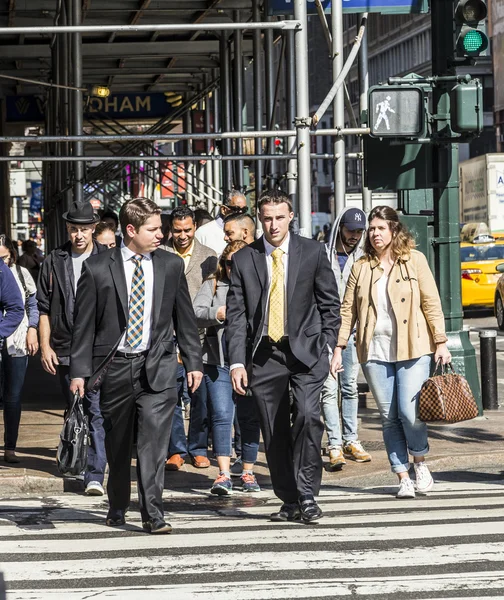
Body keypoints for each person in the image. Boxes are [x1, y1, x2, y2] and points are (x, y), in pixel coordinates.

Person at [69, 198, 203, 533]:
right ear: (131, 230)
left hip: (157, 366)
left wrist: (193, 361)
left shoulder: (170, 266)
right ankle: (117, 504)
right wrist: (79, 373)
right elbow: (84, 324)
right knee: (118, 444)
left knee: (153, 445)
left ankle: (152, 513)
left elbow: (184, 317)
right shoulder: (100, 268)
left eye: (161, 228)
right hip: (114, 368)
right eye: (154, 229)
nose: (162, 234)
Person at [226, 190, 340, 523]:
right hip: (265, 354)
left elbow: (330, 304)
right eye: (267, 218)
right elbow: (236, 314)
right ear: (259, 219)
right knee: (273, 429)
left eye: (279, 217)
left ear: (290, 216)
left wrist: (331, 345)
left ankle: (307, 494)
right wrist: (236, 361)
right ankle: (288, 499)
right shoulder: (246, 258)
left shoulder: (312, 252)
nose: (273, 225)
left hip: (307, 350)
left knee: (307, 415)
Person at [330, 206, 451, 499]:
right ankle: (402, 475)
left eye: (380, 228)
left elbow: (431, 302)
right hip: (375, 350)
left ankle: (420, 461)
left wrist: (441, 341)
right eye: (371, 229)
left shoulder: (414, 260)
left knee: (410, 413)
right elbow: (347, 311)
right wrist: (338, 347)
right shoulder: (361, 266)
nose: (373, 234)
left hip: (414, 346)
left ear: (394, 230)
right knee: (389, 416)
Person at [37, 200, 108, 496]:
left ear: (94, 228)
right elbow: (42, 307)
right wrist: (44, 345)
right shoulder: (55, 259)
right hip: (64, 346)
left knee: (95, 410)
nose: (79, 235)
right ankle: (77, 461)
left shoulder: (108, 258)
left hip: (99, 348)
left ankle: (94, 473)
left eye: (84, 229)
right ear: (68, 229)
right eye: (73, 229)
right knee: (74, 408)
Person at [193, 240, 261, 495]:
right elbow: (194, 311)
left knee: (249, 417)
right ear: (224, 263)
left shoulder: (258, 284)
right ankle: (223, 474)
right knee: (221, 416)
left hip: (251, 362)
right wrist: (216, 313)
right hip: (217, 361)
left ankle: (248, 472)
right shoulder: (213, 284)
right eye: (231, 263)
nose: (236, 267)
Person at [160, 207, 217, 471]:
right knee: (170, 394)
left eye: (188, 230)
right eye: (178, 230)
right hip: (167, 335)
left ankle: (197, 447)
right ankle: (176, 449)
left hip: (198, 335)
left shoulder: (209, 256)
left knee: (200, 395)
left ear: (195, 227)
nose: (183, 236)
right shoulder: (160, 254)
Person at [321, 208, 372, 470]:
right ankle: (334, 443)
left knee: (350, 387)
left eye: (359, 231)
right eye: (351, 229)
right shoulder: (323, 254)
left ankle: (351, 439)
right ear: (340, 227)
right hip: (326, 334)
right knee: (329, 390)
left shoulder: (364, 259)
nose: (355, 236)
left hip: (352, 334)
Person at [0, 237, 31, 463]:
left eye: (4, 256)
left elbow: (27, 305)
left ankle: (10, 446)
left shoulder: (17, 274)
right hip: (5, 336)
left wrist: (33, 330)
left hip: (17, 340)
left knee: (12, 396)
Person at [195, 190, 248, 255]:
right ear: (223, 210)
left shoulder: (248, 230)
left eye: (244, 210)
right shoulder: (203, 233)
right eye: (236, 209)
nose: (240, 213)